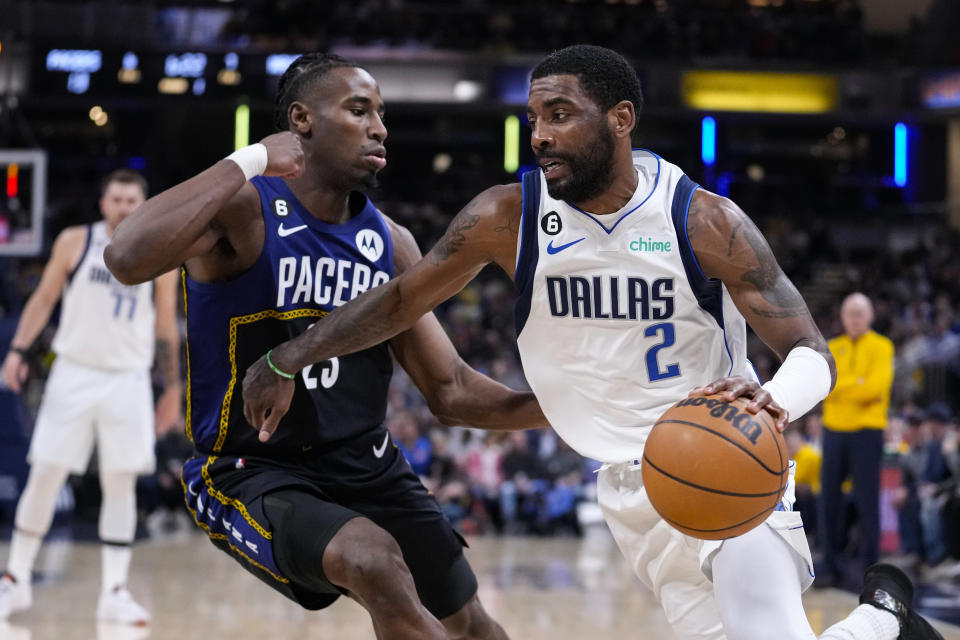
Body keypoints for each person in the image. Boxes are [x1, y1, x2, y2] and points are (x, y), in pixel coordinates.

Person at [242, 45, 945, 640]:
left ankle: (883, 614)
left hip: (729, 465)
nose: (540, 135)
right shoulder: (504, 217)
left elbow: (812, 354)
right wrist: (289, 355)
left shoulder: (702, 221)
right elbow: (401, 300)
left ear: (621, 119)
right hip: (633, 494)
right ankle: (883, 620)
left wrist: (770, 401)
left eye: (559, 115)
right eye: (533, 120)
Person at [104, 53, 546, 640]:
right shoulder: (245, 209)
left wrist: (568, 407)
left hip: (367, 464)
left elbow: (452, 390)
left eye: (381, 114)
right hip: (250, 470)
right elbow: (125, 257)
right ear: (301, 120)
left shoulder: (392, 242)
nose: (380, 127)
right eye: (359, 110)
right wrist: (250, 159)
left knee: (473, 624)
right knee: (372, 561)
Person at [0, 169, 181, 625]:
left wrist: (173, 388)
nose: (123, 206)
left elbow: (164, 325)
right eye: (116, 199)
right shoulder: (75, 241)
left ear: (144, 205)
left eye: (131, 199)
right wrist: (19, 350)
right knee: (46, 473)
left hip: (129, 378)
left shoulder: (160, 255)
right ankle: (15, 579)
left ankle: (114, 591)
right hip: (74, 373)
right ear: (103, 204)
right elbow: (42, 299)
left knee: (120, 482)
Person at [819, 292, 895, 587]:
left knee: (867, 500)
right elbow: (825, 385)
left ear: (871, 316)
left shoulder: (882, 346)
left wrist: (843, 388)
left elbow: (875, 388)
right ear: (841, 316)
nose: (855, 318)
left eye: (860, 313)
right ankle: (830, 564)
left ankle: (870, 565)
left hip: (867, 430)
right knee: (829, 501)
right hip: (834, 430)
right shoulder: (831, 347)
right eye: (850, 313)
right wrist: (855, 385)